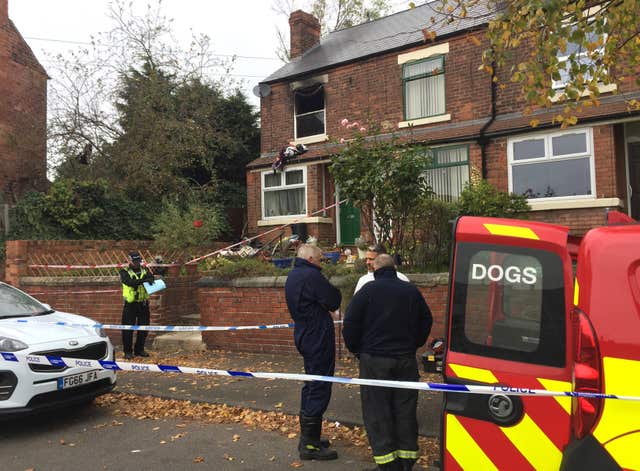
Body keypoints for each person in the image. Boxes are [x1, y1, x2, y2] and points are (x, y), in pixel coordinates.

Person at [343, 254, 433, 471]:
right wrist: (413, 345)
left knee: (377, 410)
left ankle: (387, 463)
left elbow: (350, 325)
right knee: (405, 409)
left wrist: (357, 351)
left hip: (375, 361)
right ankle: (406, 460)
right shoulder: (411, 291)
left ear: (374, 269)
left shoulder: (367, 292)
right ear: (395, 269)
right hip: (405, 360)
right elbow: (426, 320)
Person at [285, 244, 342, 461]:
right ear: (310, 258)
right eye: (319, 259)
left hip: (304, 333)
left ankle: (309, 437)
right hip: (316, 336)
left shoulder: (294, 275)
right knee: (319, 384)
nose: (321, 262)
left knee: (311, 383)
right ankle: (310, 445)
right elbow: (334, 299)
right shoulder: (311, 276)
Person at [120, 251, 155, 360]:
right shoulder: (124, 271)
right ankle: (128, 352)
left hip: (143, 304)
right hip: (130, 305)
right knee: (127, 329)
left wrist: (147, 280)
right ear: (129, 261)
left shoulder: (144, 270)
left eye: (138, 261)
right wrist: (144, 280)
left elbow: (151, 279)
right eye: (134, 261)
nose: (136, 263)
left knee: (143, 328)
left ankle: (139, 350)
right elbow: (129, 282)